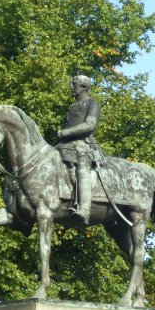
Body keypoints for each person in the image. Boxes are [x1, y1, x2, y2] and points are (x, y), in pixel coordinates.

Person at [57, 75, 101, 224]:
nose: (72, 87)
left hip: (83, 145)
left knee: (82, 170)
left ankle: (84, 210)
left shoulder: (93, 104)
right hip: (65, 145)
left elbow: (89, 125)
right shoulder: (71, 107)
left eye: (74, 84)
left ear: (84, 87)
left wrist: (65, 133)